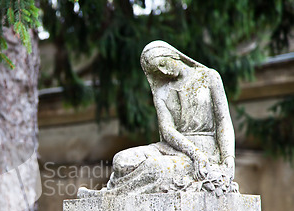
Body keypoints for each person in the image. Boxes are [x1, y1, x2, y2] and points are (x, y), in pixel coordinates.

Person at [78, 40, 238, 198]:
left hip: (205, 151)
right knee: (121, 160)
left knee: (154, 167)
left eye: (162, 63)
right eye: (157, 71)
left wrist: (228, 158)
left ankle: (108, 197)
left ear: (173, 55)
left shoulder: (209, 77)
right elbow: (167, 130)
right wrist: (193, 153)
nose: (164, 72)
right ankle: (108, 193)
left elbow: (224, 121)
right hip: (174, 148)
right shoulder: (162, 92)